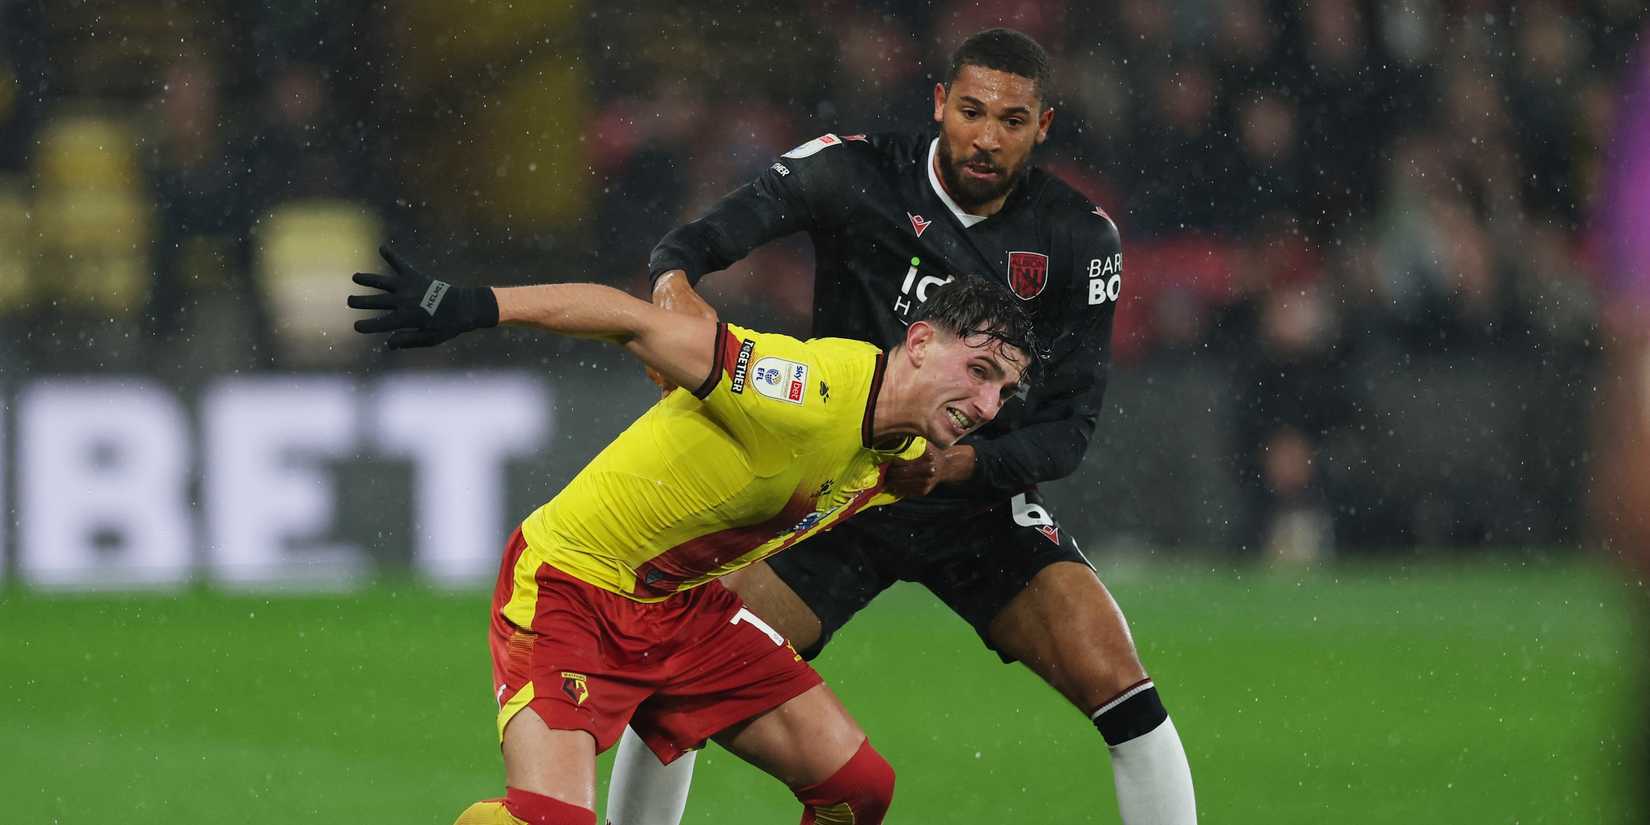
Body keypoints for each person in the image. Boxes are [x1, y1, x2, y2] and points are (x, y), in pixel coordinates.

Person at [607, 28, 1197, 825]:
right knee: (680, 684)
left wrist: (955, 468)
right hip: (842, 488)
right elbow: (697, 238)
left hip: (978, 501)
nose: (986, 137)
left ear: (1044, 126)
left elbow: (1069, 433)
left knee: (1124, 693)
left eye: (1012, 120)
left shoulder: (1078, 238)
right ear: (938, 105)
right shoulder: (856, 172)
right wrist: (674, 283)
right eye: (971, 110)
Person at [346, 246, 1035, 825]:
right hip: (574, 587)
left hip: (683, 610)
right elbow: (630, 321)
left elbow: (927, 470)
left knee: (859, 791)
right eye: (978, 372)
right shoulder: (800, 392)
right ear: (918, 343)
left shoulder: (904, 455)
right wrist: (475, 305)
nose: (986, 405)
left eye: (1004, 390)